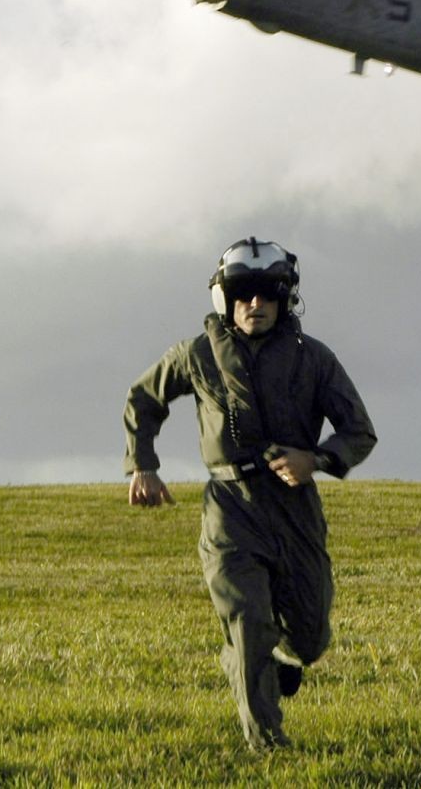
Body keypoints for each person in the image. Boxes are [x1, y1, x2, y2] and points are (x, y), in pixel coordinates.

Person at [124, 237, 377, 751]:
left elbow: (359, 430)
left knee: (311, 635)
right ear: (224, 298)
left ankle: (283, 657)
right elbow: (143, 398)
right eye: (243, 294)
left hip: (295, 509)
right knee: (247, 621)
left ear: (285, 299)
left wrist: (319, 460)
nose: (255, 304)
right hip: (230, 510)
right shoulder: (196, 356)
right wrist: (142, 465)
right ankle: (267, 743)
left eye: (267, 294)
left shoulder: (315, 360)